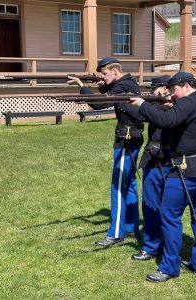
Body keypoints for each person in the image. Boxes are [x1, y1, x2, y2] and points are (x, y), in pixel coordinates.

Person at [130, 71, 196, 282]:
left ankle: (169, 267)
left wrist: (143, 104)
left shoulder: (188, 102)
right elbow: (185, 123)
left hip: (186, 169)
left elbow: (167, 121)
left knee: (169, 215)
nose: (172, 94)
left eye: (174, 90)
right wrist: (173, 107)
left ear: (185, 85)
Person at [68, 57, 144, 246]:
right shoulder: (127, 83)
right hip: (132, 137)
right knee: (129, 184)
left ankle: (116, 232)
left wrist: (81, 86)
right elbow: (108, 95)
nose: (102, 76)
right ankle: (130, 227)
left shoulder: (122, 85)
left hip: (126, 140)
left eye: (105, 73)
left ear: (115, 72)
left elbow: (99, 104)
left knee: (118, 187)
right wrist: (100, 84)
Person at [131, 75, 172, 261]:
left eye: (155, 89)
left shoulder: (178, 105)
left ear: (164, 88)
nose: (152, 92)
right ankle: (151, 246)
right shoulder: (154, 106)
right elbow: (139, 115)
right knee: (149, 205)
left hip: (171, 161)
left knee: (168, 208)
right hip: (153, 159)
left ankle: (166, 245)